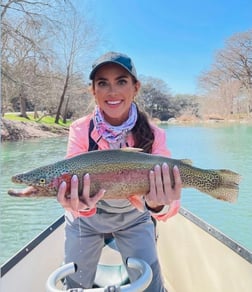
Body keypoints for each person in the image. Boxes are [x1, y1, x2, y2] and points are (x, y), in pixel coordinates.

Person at [57, 51, 182, 291]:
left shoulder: (156, 135)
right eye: (102, 83)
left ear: (136, 87)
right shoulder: (80, 129)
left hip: (135, 218)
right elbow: (71, 180)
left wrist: (157, 205)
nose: (112, 91)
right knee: (74, 284)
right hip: (86, 219)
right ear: (93, 90)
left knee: (150, 286)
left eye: (121, 81)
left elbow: (169, 207)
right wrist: (79, 203)